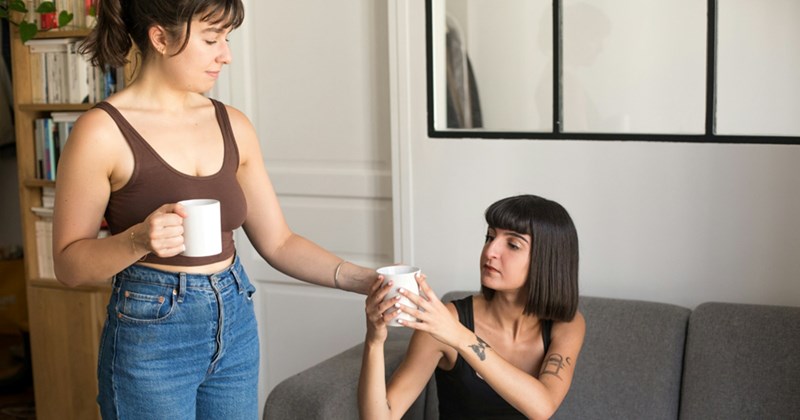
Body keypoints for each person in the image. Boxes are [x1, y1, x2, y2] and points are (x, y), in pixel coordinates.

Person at [51, 0, 375, 418]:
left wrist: (365, 279)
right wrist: (138, 239)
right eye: (211, 39)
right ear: (161, 38)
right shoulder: (101, 132)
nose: (226, 54)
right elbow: (68, 266)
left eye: (227, 38)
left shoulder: (234, 124)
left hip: (235, 314)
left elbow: (279, 242)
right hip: (152, 330)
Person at [359, 194, 585, 419]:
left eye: (513, 244)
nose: (490, 251)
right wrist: (374, 341)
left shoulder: (567, 325)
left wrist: (459, 336)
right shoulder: (444, 321)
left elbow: (542, 407)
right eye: (489, 237)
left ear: (547, 259)